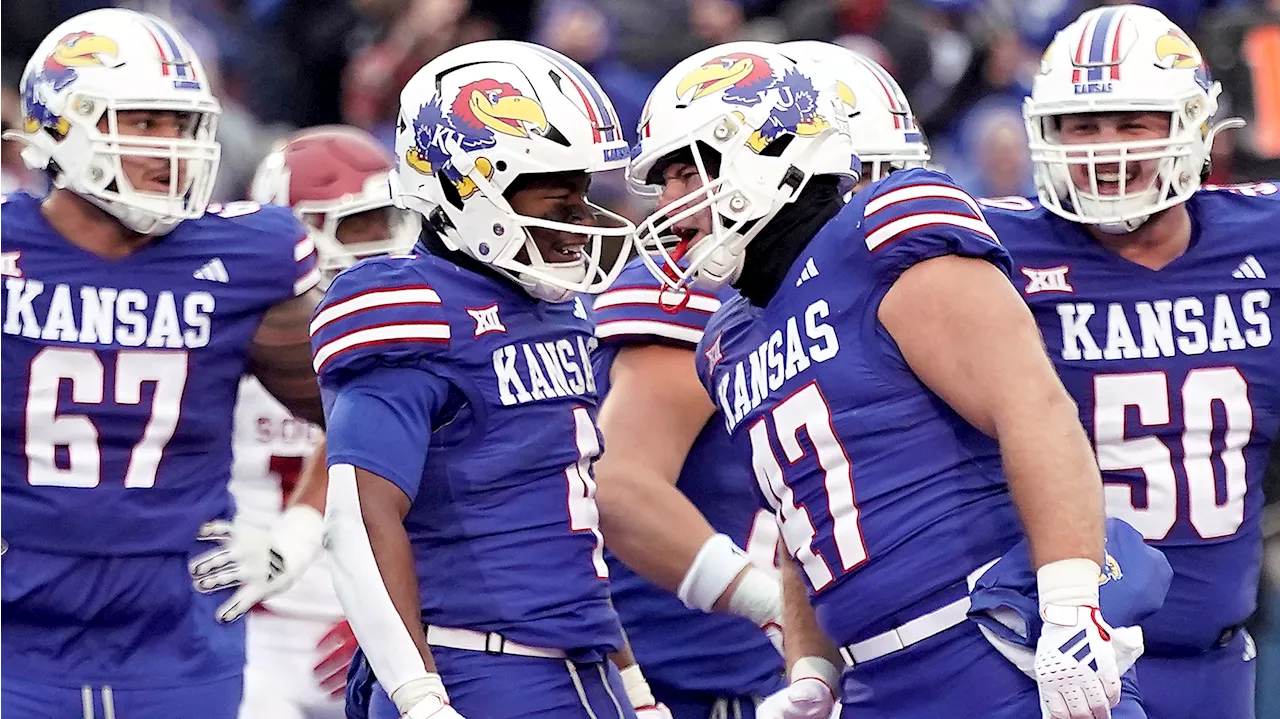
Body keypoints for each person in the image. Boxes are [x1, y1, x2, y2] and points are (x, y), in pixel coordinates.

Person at [629, 40, 1138, 719]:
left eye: (686, 173)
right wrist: (812, 670)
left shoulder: (881, 235)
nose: (671, 202)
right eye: (663, 183)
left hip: (994, 647)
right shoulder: (728, 339)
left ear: (762, 149)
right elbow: (800, 523)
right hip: (874, 681)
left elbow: (1034, 407)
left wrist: (1073, 604)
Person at [311, 40, 669, 719]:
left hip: (579, 666)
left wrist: (636, 687)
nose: (581, 223)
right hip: (475, 664)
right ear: (465, 188)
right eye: (557, 199)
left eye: (583, 196)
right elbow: (356, 517)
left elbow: (568, 525)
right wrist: (418, 696)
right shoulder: (411, 305)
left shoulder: (554, 311)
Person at [589, 40, 930, 719]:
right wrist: (769, 605)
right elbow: (619, 485)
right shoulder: (706, 296)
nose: (872, 200)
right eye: (861, 176)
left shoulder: (877, 295)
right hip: (685, 673)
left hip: (797, 670)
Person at [0, 8, 326, 718]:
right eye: (145, 123)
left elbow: (369, 409)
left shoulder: (247, 256)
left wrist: (300, 528)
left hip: (175, 620)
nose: (171, 148)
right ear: (64, 122)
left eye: (181, 125)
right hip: (13, 617)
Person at [980, 6, 1266, 718]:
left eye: (1132, 121)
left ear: (1195, 125)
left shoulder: (1263, 242)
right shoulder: (989, 253)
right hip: (1048, 658)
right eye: (1083, 125)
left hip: (1219, 659)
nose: (1104, 149)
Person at [225, 124, 421, 719]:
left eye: (385, 222)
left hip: (368, 615)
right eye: (355, 226)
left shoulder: (414, 333)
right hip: (250, 626)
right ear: (295, 229)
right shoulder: (235, 331)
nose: (379, 244)